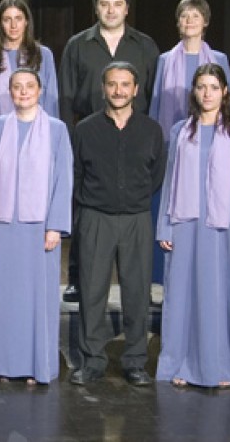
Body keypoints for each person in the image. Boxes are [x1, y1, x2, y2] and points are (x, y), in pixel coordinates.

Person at [156, 64, 230, 388]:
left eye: (214, 87)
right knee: (181, 296)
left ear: (225, 92)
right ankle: (181, 366)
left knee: (218, 296)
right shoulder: (179, 131)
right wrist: (164, 227)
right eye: (201, 87)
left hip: (222, 226)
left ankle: (219, 369)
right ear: (194, 91)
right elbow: (169, 182)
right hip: (185, 222)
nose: (207, 93)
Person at [59, 0, 159, 303]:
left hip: (133, 137)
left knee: (132, 219)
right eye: (105, 4)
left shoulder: (145, 46)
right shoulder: (77, 45)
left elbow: (154, 96)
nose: (111, 10)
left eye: (117, 4)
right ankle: (78, 278)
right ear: (96, 7)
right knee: (85, 210)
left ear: (127, 8)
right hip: (90, 135)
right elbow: (65, 97)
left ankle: (138, 286)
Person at [69, 61, 165, 387]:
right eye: (112, 84)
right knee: (92, 293)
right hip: (96, 218)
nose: (119, 90)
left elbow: (156, 176)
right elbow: (76, 176)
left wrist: (133, 201)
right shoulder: (85, 129)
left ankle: (135, 361)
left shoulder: (152, 130)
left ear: (136, 89)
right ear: (103, 87)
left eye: (125, 84)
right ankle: (92, 361)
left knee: (137, 294)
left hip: (137, 219)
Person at [0, 68, 72, 384]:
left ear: (40, 90)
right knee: (5, 298)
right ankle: (5, 365)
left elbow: (63, 180)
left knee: (37, 300)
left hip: (39, 227)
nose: (23, 92)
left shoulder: (57, 130)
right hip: (4, 224)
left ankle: (36, 366)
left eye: (29, 86)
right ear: (9, 91)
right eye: (17, 87)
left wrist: (55, 226)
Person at [148, 0, 230, 286]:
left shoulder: (219, 60)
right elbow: (157, 106)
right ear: (177, 22)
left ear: (205, 21)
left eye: (195, 16)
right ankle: (166, 279)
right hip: (175, 146)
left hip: (211, 145)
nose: (189, 21)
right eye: (184, 16)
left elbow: (228, 105)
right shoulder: (165, 60)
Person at [0, 0, 59, 151]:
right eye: (7, 19)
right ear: (0, 24)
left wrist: (52, 138)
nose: (13, 25)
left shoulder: (43, 54)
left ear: (26, 21)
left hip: (38, 138)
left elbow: (51, 99)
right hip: (0, 139)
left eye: (18, 18)